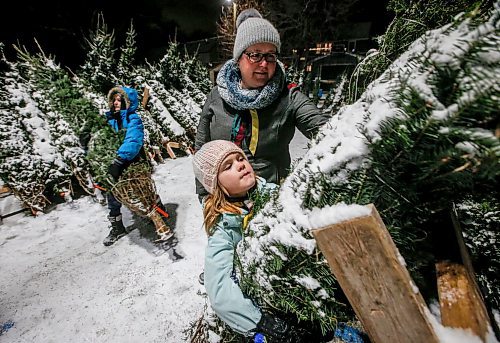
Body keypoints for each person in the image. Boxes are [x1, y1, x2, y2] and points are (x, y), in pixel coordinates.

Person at [195, 8, 330, 201]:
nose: (264, 64)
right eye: (255, 55)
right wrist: (205, 199)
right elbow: (202, 152)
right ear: (239, 59)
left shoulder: (289, 97)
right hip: (226, 202)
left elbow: (326, 130)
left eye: (270, 56)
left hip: (272, 203)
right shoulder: (217, 96)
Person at [192, 140, 295, 342]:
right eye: (228, 166)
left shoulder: (273, 194)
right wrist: (260, 322)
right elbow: (219, 288)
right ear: (216, 185)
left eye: (240, 158)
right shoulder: (224, 227)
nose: (240, 165)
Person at [103, 86, 171, 246]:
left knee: (143, 191)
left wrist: (120, 159)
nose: (116, 103)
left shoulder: (133, 119)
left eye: (120, 100)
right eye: (114, 99)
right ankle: (117, 226)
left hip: (133, 162)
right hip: (115, 164)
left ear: (128, 102)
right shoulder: (109, 121)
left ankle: (160, 213)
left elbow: (133, 139)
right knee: (112, 195)